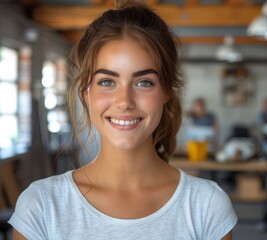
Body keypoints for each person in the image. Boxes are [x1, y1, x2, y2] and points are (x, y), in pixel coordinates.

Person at [9, 1, 237, 239]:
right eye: (107, 82)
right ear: (86, 92)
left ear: (166, 91)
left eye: (143, 82)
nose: (124, 101)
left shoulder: (207, 206)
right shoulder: (42, 205)